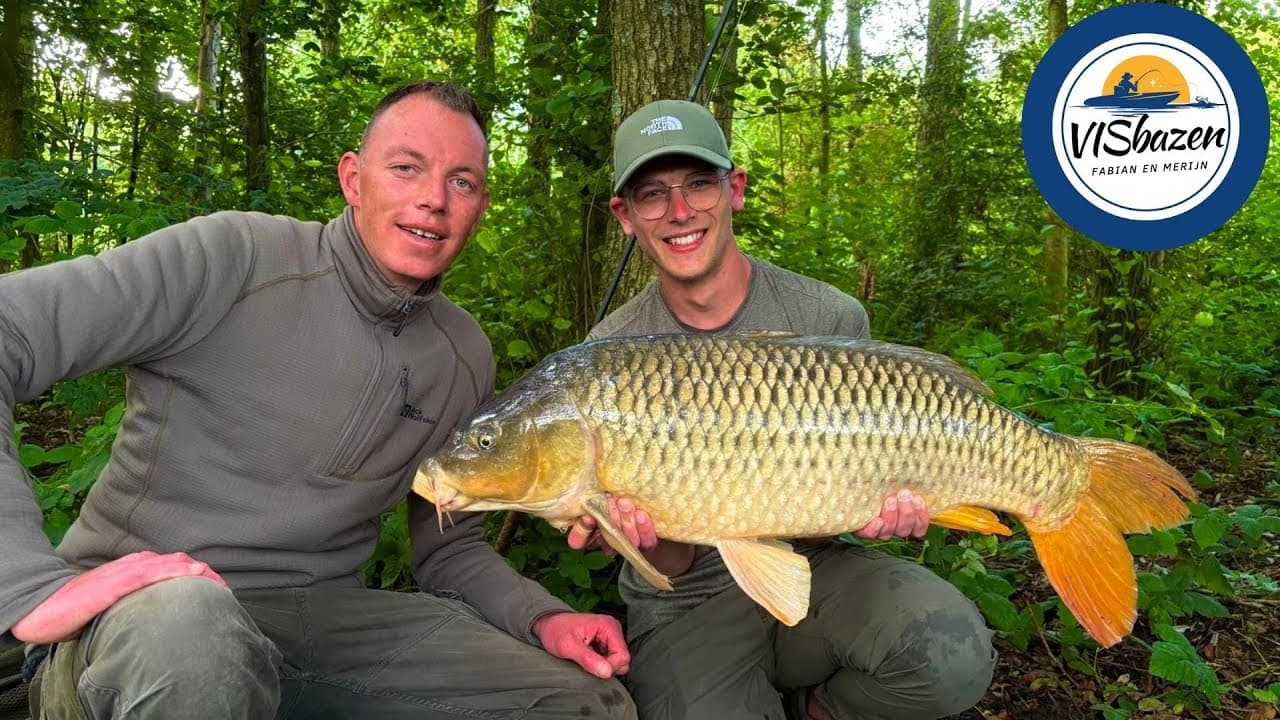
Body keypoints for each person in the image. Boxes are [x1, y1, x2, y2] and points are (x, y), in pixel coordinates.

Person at [0, 81, 636, 719]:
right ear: (354, 179)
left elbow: (450, 544)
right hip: (146, 619)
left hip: (322, 626)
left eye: (462, 182)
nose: (433, 198)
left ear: (481, 205)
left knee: (584, 702)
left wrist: (542, 616)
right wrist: (24, 585)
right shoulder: (233, 259)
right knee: (194, 639)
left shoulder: (462, 353)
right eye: (406, 167)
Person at [567, 99, 996, 720]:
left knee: (948, 656)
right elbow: (671, 564)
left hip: (814, 571)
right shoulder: (604, 359)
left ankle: (814, 709)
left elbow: (828, 516)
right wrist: (640, 537)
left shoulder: (828, 318)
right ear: (625, 216)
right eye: (652, 194)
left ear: (733, 188)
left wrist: (878, 505)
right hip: (688, 602)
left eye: (698, 184)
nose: (680, 212)